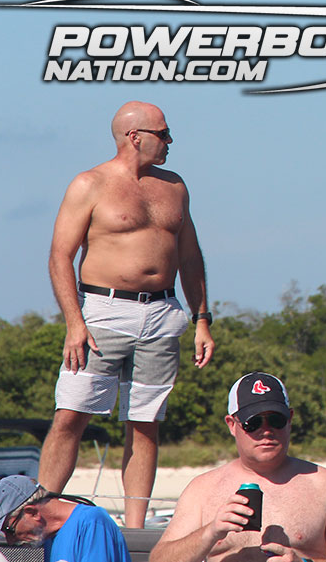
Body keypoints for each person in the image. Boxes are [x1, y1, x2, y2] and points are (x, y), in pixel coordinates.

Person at [42, 101, 215, 528]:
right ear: (135, 137)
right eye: (163, 133)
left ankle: (134, 530)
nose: (170, 141)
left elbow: (190, 258)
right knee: (71, 415)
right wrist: (74, 323)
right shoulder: (90, 183)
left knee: (145, 422)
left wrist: (202, 319)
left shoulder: (175, 186)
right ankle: (39, 516)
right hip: (102, 313)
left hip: (162, 313)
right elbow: (60, 256)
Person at [151, 372, 326, 562]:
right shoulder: (202, 489)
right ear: (232, 425)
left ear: (290, 420)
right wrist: (210, 532)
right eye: (253, 422)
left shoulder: (324, 484)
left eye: (276, 420)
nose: (266, 431)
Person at [0, 474, 130, 561]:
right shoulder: (48, 536)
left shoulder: (92, 522)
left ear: (32, 512)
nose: (10, 540)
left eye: (9, 530)